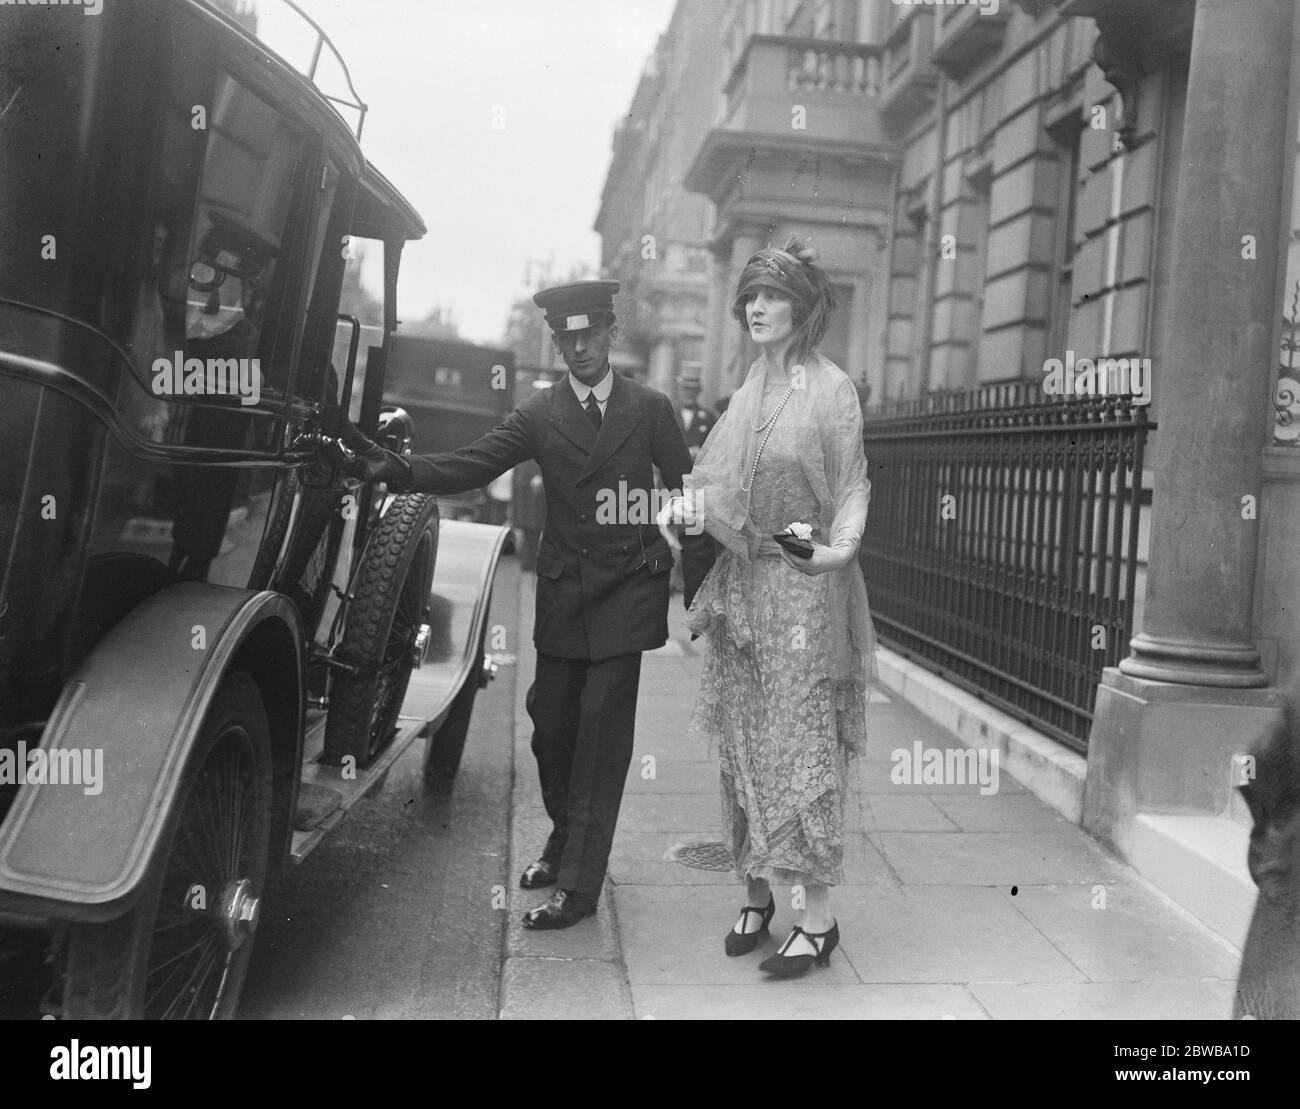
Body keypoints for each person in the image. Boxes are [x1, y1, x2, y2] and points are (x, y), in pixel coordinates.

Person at [331, 280, 715, 929]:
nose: (579, 348)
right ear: (558, 342)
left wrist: (703, 592)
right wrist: (395, 470)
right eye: (567, 338)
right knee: (550, 725)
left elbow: (689, 492)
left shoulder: (648, 408)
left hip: (628, 588)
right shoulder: (540, 412)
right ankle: (567, 836)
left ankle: (579, 884)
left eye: (590, 334)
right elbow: (472, 463)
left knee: (601, 732)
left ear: (611, 335)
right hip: (566, 592)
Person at [658, 237, 876, 976]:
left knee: (803, 746)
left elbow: (851, 485)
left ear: (803, 307)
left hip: (808, 590)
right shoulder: (745, 392)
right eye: (750, 294)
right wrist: (685, 506)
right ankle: (755, 894)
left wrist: (840, 548)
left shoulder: (832, 389)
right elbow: (721, 488)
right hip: (745, 590)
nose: (756, 306)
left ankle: (819, 917)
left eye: (772, 295)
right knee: (745, 743)